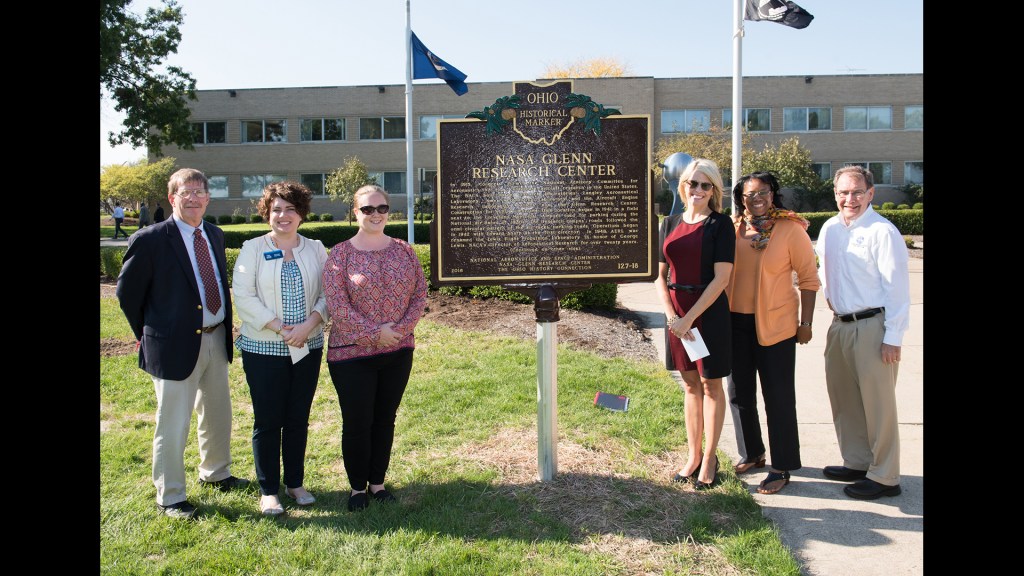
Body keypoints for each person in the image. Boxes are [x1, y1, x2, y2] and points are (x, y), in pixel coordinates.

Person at [116, 168, 251, 520]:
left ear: (208, 198)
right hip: (172, 345)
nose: (194, 197)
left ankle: (216, 472)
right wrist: (147, 335)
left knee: (218, 413)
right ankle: (171, 495)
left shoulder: (215, 235)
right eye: (185, 192)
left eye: (200, 191)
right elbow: (128, 295)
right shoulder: (150, 239)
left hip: (215, 340)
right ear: (172, 197)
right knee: (173, 422)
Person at [322, 184, 428, 511]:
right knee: (357, 421)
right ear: (355, 212)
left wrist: (398, 331)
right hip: (351, 356)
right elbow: (337, 306)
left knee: (385, 419)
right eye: (368, 209)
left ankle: (377, 483)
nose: (376, 215)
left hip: (397, 352)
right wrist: (374, 333)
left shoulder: (404, 251)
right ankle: (357, 488)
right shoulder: (340, 255)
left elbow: (419, 294)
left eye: (381, 208)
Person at [232, 181, 328, 517]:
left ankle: (295, 483)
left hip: (308, 345)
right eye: (276, 209)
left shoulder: (316, 248)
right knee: (269, 419)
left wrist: (309, 325)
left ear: (301, 213)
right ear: (266, 213)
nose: (283, 215)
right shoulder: (252, 248)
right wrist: (279, 328)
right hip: (263, 349)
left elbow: (329, 294)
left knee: (298, 417)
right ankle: (269, 489)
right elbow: (243, 296)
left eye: (290, 209)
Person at [815, 165, 910, 500]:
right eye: (843, 192)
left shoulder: (882, 232)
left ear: (871, 193)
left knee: (878, 404)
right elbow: (822, 268)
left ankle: (886, 476)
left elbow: (897, 288)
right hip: (840, 325)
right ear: (835, 194)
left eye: (856, 192)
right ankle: (857, 461)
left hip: (873, 327)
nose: (849, 199)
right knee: (845, 400)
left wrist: (893, 337)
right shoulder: (829, 229)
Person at [725, 171, 820, 495]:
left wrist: (805, 324)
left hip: (777, 327)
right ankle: (753, 452)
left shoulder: (791, 230)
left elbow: (808, 280)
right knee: (739, 394)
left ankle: (782, 466)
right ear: (741, 198)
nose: (757, 199)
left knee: (778, 398)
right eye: (749, 194)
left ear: (773, 194)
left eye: (763, 192)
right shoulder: (733, 228)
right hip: (735, 324)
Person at [654, 158, 735, 490]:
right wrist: (673, 317)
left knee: (710, 386)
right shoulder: (670, 222)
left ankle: (711, 457)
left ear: (714, 190)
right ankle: (693, 455)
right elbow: (659, 276)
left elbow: (722, 279)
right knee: (689, 386)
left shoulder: (720, 224)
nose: (698, 190)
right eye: (693, 183)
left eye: (706, 185)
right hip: (676, 316)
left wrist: (689, 318)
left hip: (708, 313)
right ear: (682, 186)